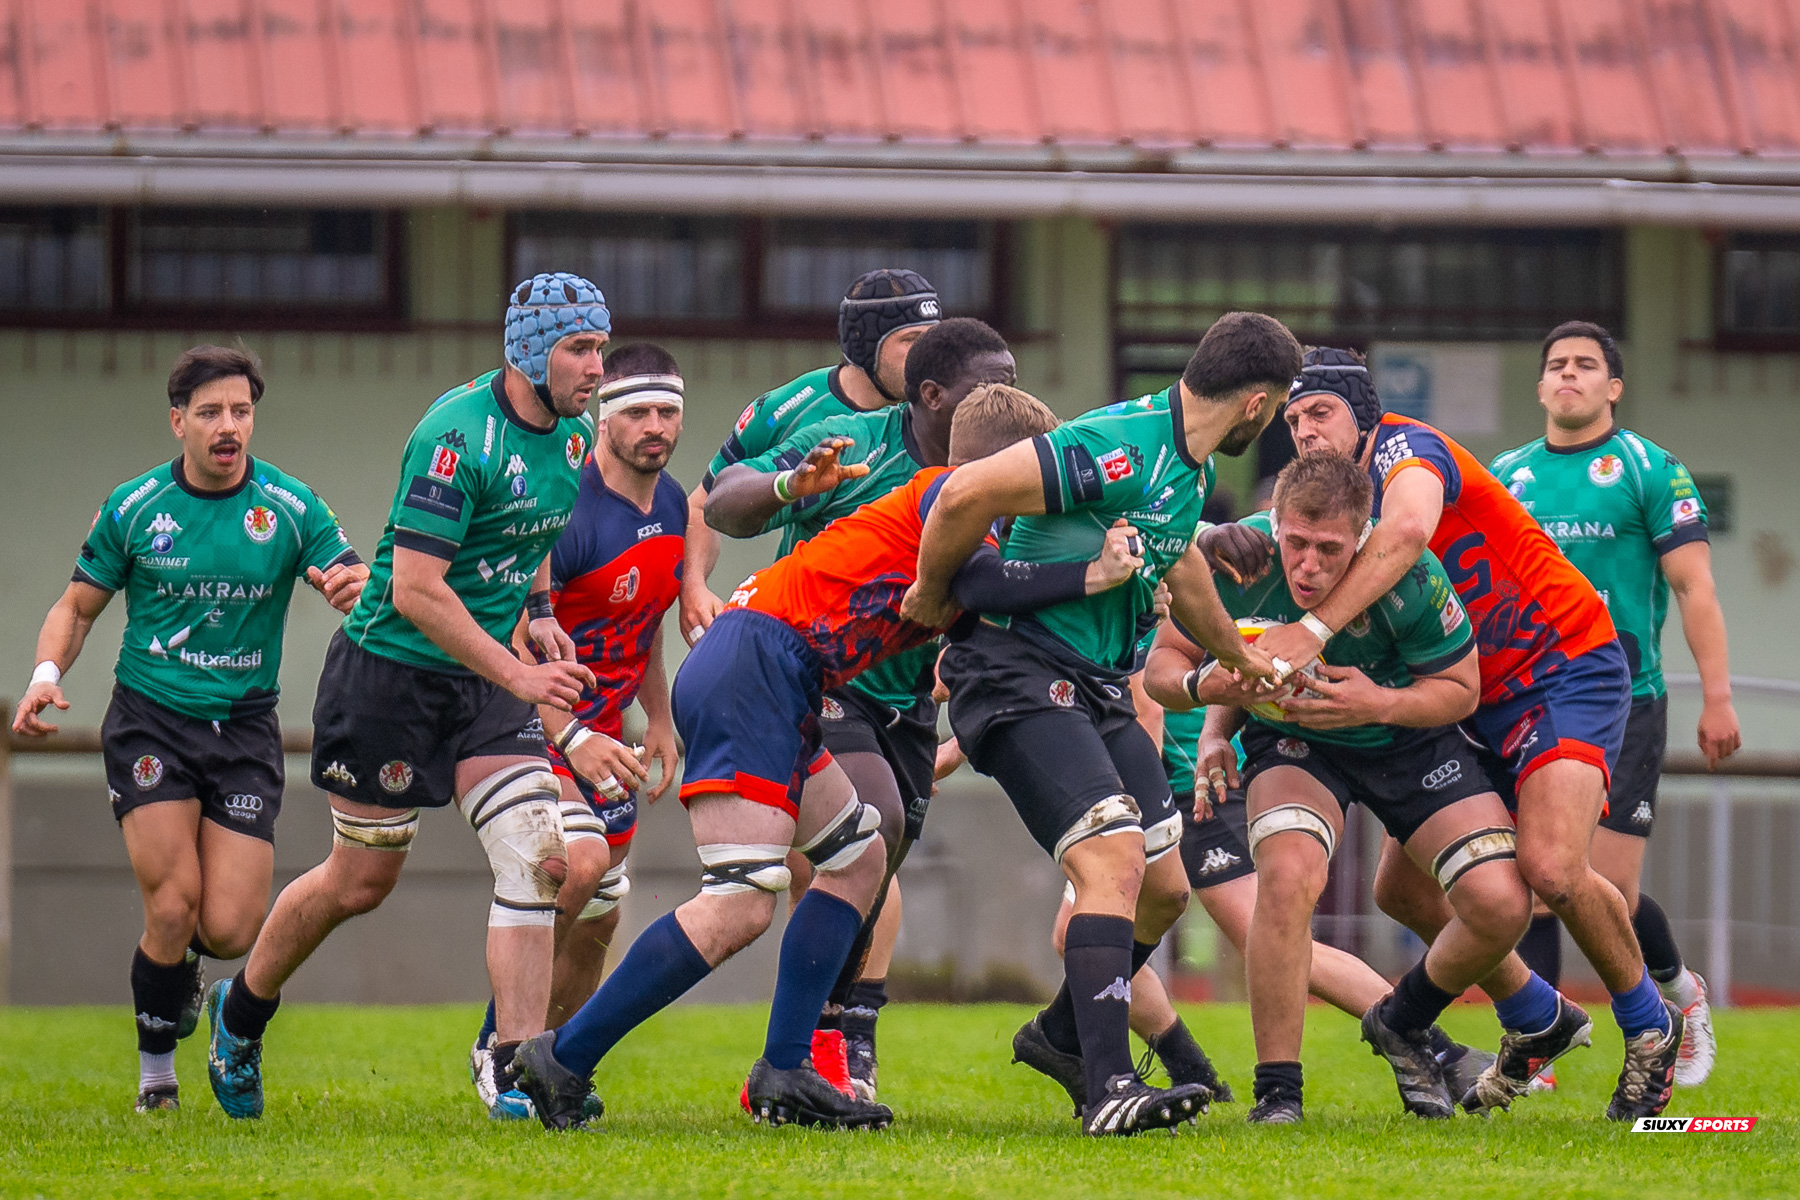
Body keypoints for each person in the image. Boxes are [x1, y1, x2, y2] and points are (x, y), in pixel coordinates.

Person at [511, 384, 1071, 1131]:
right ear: (1002, 467)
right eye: (1037, 472)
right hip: (757, 666)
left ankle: (785, 1067)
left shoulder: (958, 514)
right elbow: (983, 587)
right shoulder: (952, 500)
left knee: (860, 858)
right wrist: (1093, 573)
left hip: (777, 671)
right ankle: (563, 1057)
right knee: (741, 901)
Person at [201, 273, 607, 1120]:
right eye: (578, 348)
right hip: (389, 678)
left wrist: (536, 614)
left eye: (600, 346)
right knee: (360, 881)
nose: (596, 367)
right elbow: (419, 590)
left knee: (545, 856)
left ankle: (516, 1066)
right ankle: (240, 1013)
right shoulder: (454, 436)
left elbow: (528, 528)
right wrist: (523, 674)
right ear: (529, 351)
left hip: (487, 682)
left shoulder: (573, 436)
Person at [1253, 347, 1682, 1121]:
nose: (1305, 431)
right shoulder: (1331, 507)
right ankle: (1534, 1014)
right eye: (1292, 420)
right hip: (1471, 690)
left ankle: (1652, 1031)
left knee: (1552, 867)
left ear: (1364, 413)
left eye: (1320, 412)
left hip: (1562, 663)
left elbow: (1412, 527)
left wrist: (1315, 630)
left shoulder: (1403, 450)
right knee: (1402, 889)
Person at [901, 312, 1296, 1135]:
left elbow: (1183, 564)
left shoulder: (1182, 473)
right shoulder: (1120, 442)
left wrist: (1240, 660)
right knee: (1112, 855)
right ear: (1258, 404)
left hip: (1094, 684)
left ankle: (1060, 1038)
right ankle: (1111, 1086)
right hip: (1016, 671)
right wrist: (933, 597)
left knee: (1163, 885)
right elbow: (963, 492)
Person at [11, 344, 367, 1113]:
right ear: (179, 422)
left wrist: (355, 584)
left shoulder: (291, 506)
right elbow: (75, 608)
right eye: (210, 412)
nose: (228, 425)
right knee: (171, 906)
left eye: (240, 410)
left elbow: (357, 575)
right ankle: (155, 1080)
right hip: (151, 722)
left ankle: (185, 977)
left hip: (243, 729)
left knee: (230, 927)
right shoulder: (136, 507)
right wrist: (45, 677)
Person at [1149, 454, 1543, 1123]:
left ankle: (1401, 1019)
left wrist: (1380, 704)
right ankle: (1278, 1093)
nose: (1306, 566)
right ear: (1274, 524)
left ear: (1362, 539)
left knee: (1501, 905)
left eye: (1328, 550)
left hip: (1409, 741)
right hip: (1300, 745)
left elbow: (1461, 690)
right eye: (1295, 544)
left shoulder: (1410, 577)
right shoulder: (1241, 555)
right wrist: (1205, 702)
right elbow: (1166, 662)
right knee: (1285, 875)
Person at [705, 316, 1016, 1099]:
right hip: (822, 683)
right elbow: (722, 500)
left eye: (1014, 383)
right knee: (862, 835)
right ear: (933, 396)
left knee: (875, 862)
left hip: (909, 698)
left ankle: (823, 1043)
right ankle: (806, 1053)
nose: (1005, 399)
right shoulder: (850, 439)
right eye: (991, 386)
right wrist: (787, 486)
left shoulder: (1008, 469)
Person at [1491, 321, 1736, 1089]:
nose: (1569, 376)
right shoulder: (1506, 476)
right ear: (1539, 387)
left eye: (1586, 366)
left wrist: (1719, 697)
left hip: (1625, 700)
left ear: (1613, 387)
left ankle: (1678, 996)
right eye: (1556, 366)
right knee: (1531, 878)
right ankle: (1538, 1042)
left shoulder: (1648, 469)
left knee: (1609, 893)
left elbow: (1695, 588)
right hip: (1528, 703)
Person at [468, 344, 690, 1119]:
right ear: (604, 417)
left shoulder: (672, 507)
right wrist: (570, 736)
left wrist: (658, 718)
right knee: (580, 864)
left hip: (610, 737)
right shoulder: (568, 508)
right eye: (636, 412)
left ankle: (551, 1066)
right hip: (539, 725)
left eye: (667, 412)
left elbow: (647, 617)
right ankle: (498, 1041)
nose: (654, 427)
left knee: (596, 922)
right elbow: (522, 636)